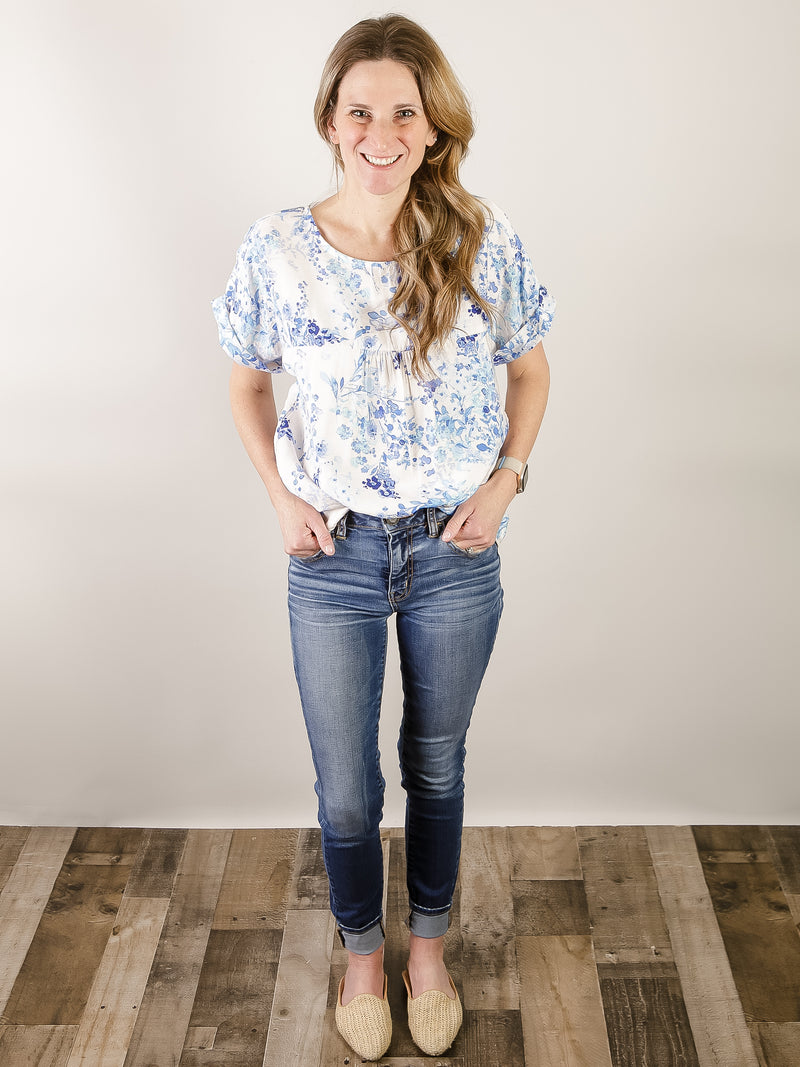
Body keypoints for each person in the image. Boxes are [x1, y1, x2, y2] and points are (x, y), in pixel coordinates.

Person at [212, 14, 555, 1060]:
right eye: (358, 109)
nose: (379, 129)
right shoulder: (276, 248)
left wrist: (505, 480)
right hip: (335, 559)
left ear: (429, 124)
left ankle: (426, 951)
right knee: (348, 782)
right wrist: (279, 495)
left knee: (436, 763)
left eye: (401, 111)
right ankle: (362, 956)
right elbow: (244, 379)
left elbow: (530, 368)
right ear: (329, 119)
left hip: (454, 552)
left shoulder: (476, 236)